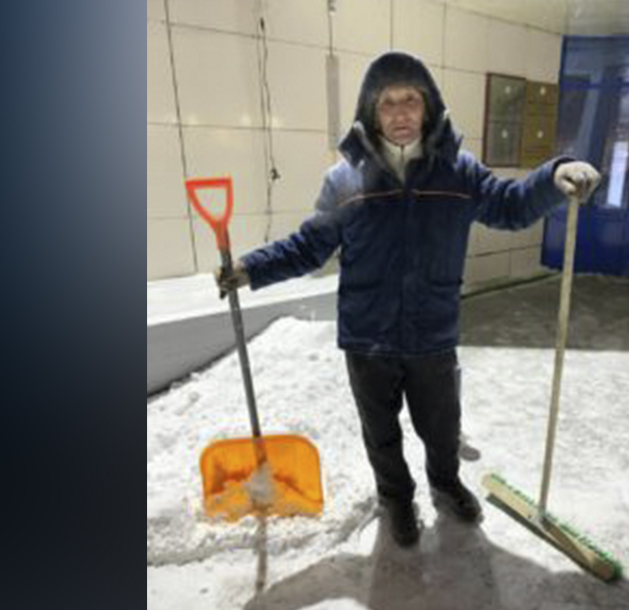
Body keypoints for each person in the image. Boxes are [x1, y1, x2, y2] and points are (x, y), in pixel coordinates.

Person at [217, 52, 600, 548]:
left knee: (442, 428)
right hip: (367, 337)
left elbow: (510, 207)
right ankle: (395, 497)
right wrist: (251, 268)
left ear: (428, 106)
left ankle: (445, 482)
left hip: (431, 332)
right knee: (380, 433)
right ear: (371, 111)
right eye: (388, 102)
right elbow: (309, 246)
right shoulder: (344, 181)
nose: (400, 113)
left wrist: (555, 175)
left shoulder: (458, 173)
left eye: (410, 100)